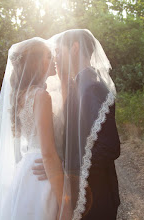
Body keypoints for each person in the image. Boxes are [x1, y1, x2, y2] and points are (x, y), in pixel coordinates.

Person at [32, 29, 120, 220]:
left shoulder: (93, 87)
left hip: (97, 196)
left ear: (74, 48)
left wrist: (65, 166)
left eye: (59, 51)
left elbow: (109, 147)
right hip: (84, 194)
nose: (56, 57)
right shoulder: (79, 84)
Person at [0, 37, 65, 220]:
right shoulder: (41, 96)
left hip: (27, 170)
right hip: (42, 174)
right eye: (48, 56)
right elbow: (48, 153)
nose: (54, 60)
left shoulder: (22, 96)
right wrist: (65, 203)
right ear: (36, 62)